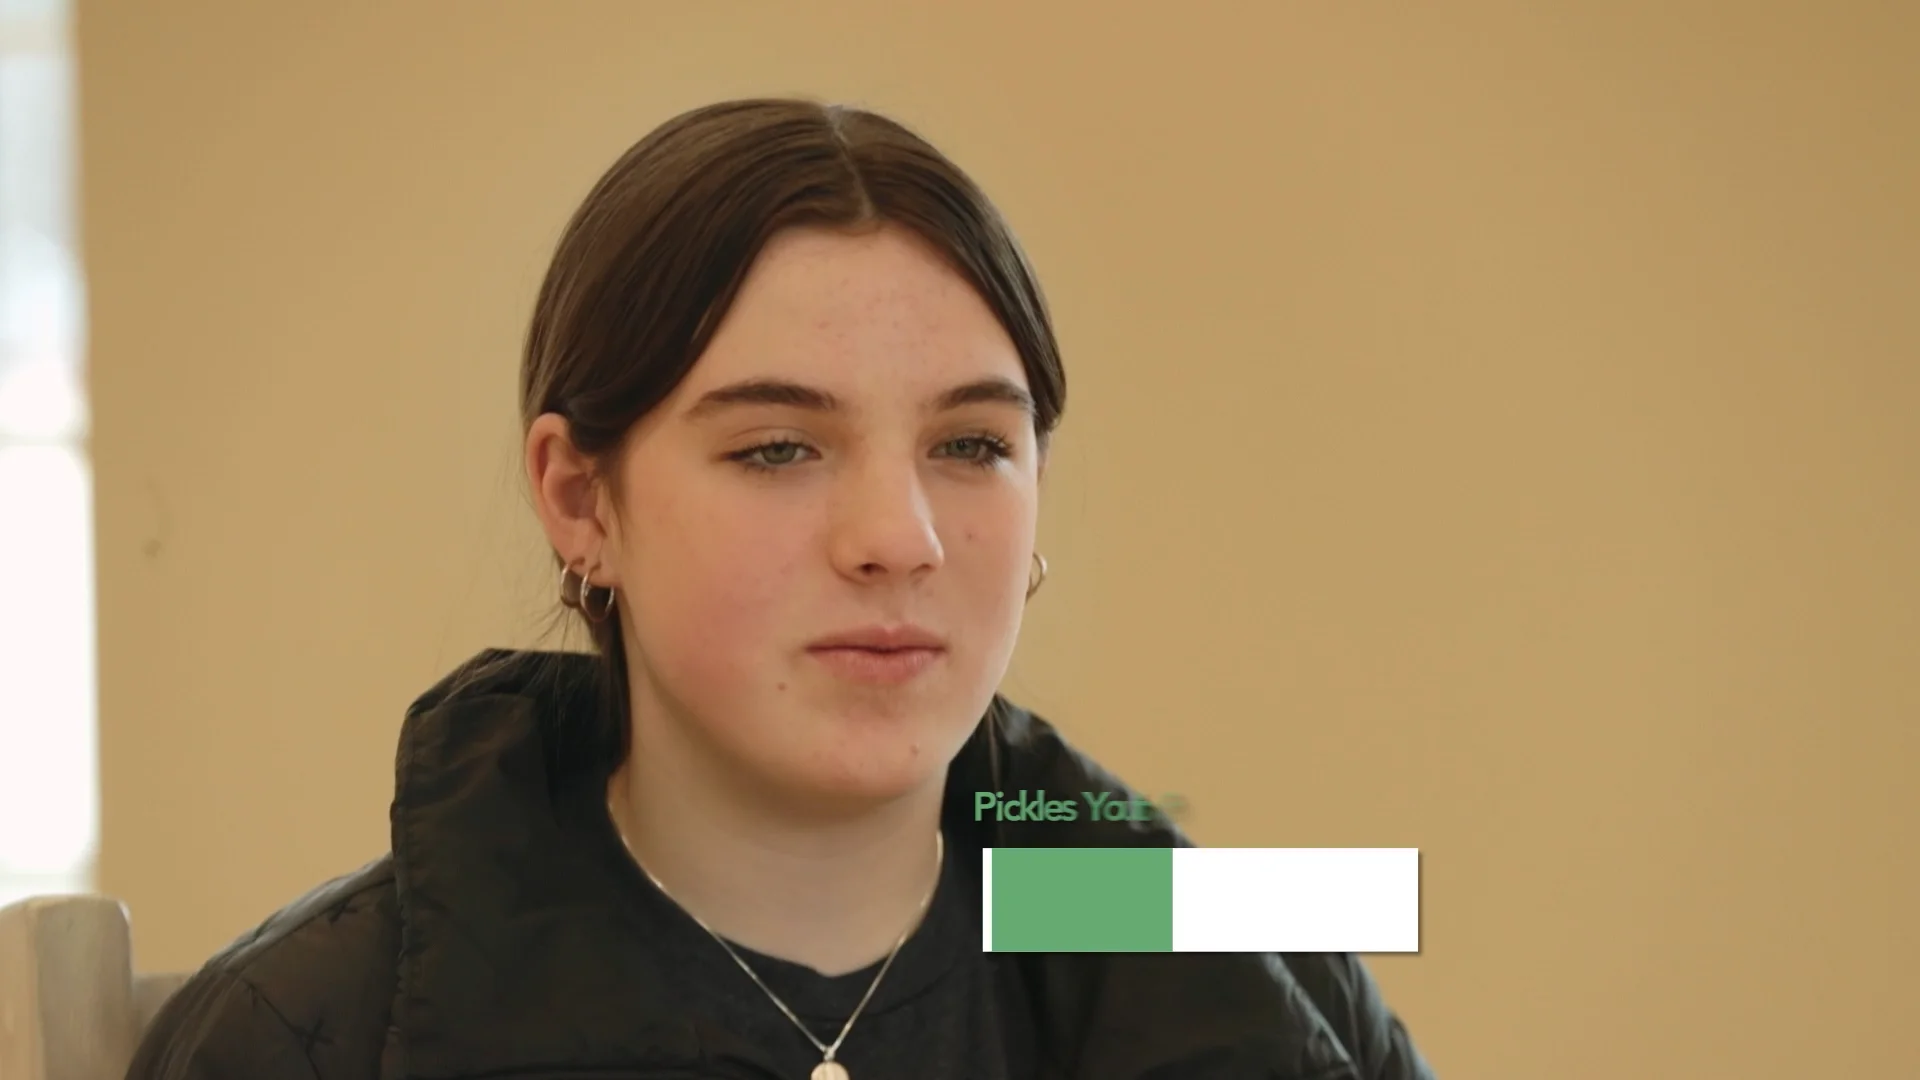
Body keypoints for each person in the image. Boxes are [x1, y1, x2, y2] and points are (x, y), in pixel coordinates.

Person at [126, 98, 1436, 1080]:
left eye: (971, 445)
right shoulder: (305, 1034)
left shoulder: (1259, 976)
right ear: (581, 502)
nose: (899, 539)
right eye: (776, 449)